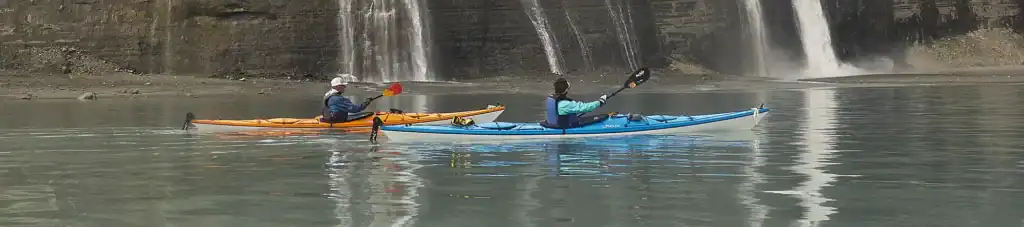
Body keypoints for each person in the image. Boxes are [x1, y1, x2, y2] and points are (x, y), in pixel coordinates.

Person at [541, 78, 610, 129]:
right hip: (562, 127)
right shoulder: (565, 104)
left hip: (551, 124)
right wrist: (600, 102)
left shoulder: (552, 98)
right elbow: (584, 107)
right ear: (566, 90)